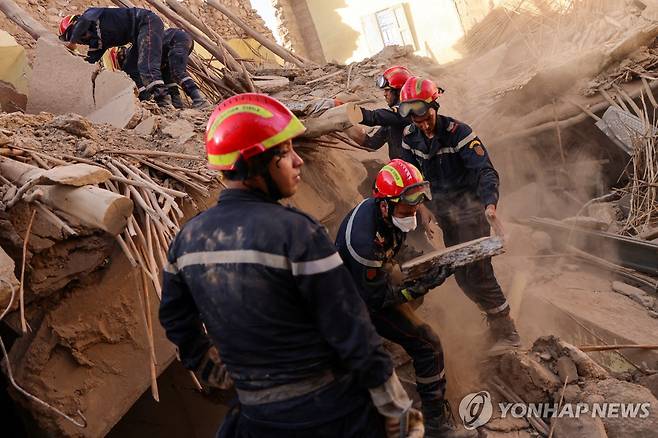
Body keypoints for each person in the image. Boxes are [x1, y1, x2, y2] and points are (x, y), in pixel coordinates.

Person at [159, 93, 422, 438]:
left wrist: (218, 376)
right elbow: (351, 329)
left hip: (254, 417)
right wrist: (395, 408)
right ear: (255, 163)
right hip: (327, 412)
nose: (298, 160)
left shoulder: (186, 241)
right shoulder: (298, 232)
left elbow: (176, 321)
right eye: (285, 152)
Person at [336, 159, 476, 438]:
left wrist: (424, 262)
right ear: (386, 203)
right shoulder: (365, 242)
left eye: (416, 204)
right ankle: (437, 426)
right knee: (428, 342)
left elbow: (396, 248)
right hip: (353, 304)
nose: (412, 211)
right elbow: (376, 300)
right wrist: (423, 284)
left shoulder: (385, 214)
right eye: (406, 206)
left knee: (410, 291)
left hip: (367, 285)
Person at [398, 76, 521, 354]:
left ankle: (508, 332)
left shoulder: (459, 132)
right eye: (413, 117)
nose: (421, 123)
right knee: (461, 276)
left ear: (434, 106)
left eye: (424, 115)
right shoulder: (410, 138)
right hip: (445, 214)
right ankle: (494, 321)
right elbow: (411, 177)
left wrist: (490, 205)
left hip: (470, 211)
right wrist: (423, 206)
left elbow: (485, 171)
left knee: (478, 272)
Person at [58, 8, 174, 107]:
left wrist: (72, 42)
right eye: (78, 40)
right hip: (137, 35)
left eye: (78, 36)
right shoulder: (96, 44)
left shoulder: (91, 14)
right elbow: (88, 65)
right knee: (130, 69)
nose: (81, 41)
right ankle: (147, 99)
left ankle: (163, 101)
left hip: (146, 22)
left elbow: (85, 20)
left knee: (146, 63)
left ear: (76, 24)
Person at [111, 28, 209, 109]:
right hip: (179, 40)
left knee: (177, 71)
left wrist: (147, 99)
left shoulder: (132, 58)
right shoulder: (148, 52)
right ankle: (177, 104)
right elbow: (167, 79)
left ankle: (199, 100)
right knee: (169, 74)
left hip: (175, 41)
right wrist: (177, 104)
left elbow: (137, 76)